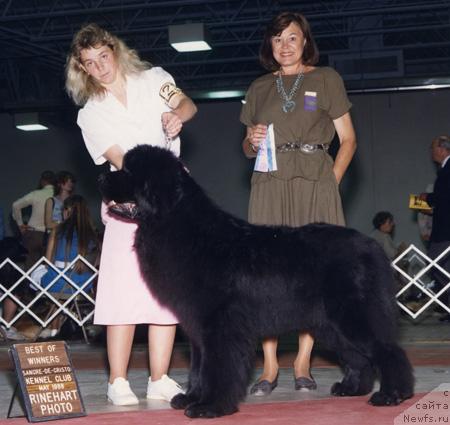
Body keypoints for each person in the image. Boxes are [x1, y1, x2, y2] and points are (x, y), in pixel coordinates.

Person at [65, 23, 197, 405]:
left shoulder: (156, 78)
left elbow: (187, 103)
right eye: (90, 63)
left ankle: (160, 377)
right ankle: (118, 381)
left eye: (103, 57)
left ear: (115, 50)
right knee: (122, 290)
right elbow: (123, 161)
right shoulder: (90, 114)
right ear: (82, 69)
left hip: (172, 195)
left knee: (167, 291)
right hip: (129, 200)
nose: (100, 67)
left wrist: (179, 117)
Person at [240, 11, 356, 395]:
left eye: (291, 38)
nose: (284, 46)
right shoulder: (258, 87)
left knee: (315, 274)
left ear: (305, 41)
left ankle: (303, 361)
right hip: (269, 184)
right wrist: (251, 141)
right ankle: (270, 366)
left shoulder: (327, 79)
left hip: (314, 183)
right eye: (277, 39)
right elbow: (246, 147)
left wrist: (331, 181)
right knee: (266, 275)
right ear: (269, 46)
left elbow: (349, 139)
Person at [35, 194, 99, 338]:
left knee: (48, 275)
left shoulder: (57, 230)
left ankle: (53, 328)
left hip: (58, 282)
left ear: (67, 210)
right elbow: (94, 264)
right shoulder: (92, 234)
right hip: (82, 285)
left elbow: (48, 260)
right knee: (63, 279)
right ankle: (64, 326)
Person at [420, 135, 450, 323]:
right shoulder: (445, 170)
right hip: (444, 229)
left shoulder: (447, 171)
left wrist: (427, 198)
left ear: (442, 149)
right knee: (442, 268)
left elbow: (443, 198)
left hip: (445, 230)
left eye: (433, 148)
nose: (431, 153)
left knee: (435, 265)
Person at [12, 171, 56, 269]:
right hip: (52, 236)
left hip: (34, 235)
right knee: (49, 267)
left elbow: (16, 205)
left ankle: (29, 283)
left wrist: (20, 224)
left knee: (31, 267)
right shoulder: (59, 196)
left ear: (42, 181)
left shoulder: (36, 194)